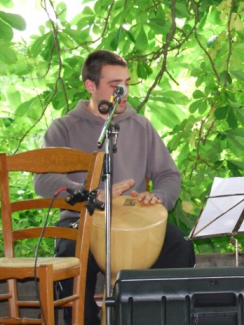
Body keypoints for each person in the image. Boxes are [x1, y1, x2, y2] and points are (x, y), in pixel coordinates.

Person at [34, 50, 196, 325]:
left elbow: (169, 174)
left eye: (127, 83)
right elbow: (43, 180)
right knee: (72, 259)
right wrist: (91, 193)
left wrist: (157, 196)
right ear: (91, 85)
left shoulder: (141, 126)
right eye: (114, 85)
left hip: (136, 222)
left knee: (179, 247)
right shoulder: (64, 128)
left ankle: (146, 318)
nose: (124, 91)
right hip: (81, 220)